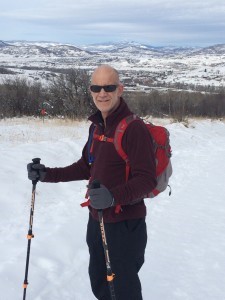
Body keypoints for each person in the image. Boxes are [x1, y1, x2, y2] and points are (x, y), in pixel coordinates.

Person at [27, 64, 157, 300]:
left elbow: (147, 180)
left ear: (120, 89)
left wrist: (113, 196)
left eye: (109, 87)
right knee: (100, 283)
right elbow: (86, 166)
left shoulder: (133, 129)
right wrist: (47, 174)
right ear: (91, 90)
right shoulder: (97, 127)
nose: (102, 93)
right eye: (96, 87)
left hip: (125, 225)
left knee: (123, 289)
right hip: (97, 220)